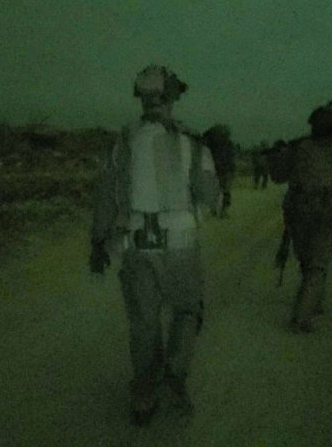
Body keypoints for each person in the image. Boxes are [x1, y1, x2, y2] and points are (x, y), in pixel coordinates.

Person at [89, 65, 219, 426]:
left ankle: (144, 395)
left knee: (144, 323)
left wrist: (98, 243)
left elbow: (105, 199)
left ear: (142, 98)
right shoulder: (192, 143)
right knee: (187, 312)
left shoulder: (122, 143)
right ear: (172, 97)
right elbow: (210, 196)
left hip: (137, 246)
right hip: (181, 246)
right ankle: (175, 377)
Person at [268, 99, 332, 333]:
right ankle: (302, 317)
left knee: (308, 262)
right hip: (324, 215)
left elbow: (277, 176)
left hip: (296, 213)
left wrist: (278, 154)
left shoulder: (299, 147)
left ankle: (313, 300)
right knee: (316, 266)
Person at [201, 124, 235, 218]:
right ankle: (222, 210)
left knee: (216, 190)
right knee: (225, 191)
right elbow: (231, 158)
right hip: (225, 170)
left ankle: (215, 210)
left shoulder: (213, 144)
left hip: (217, 169)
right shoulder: (227, 144)